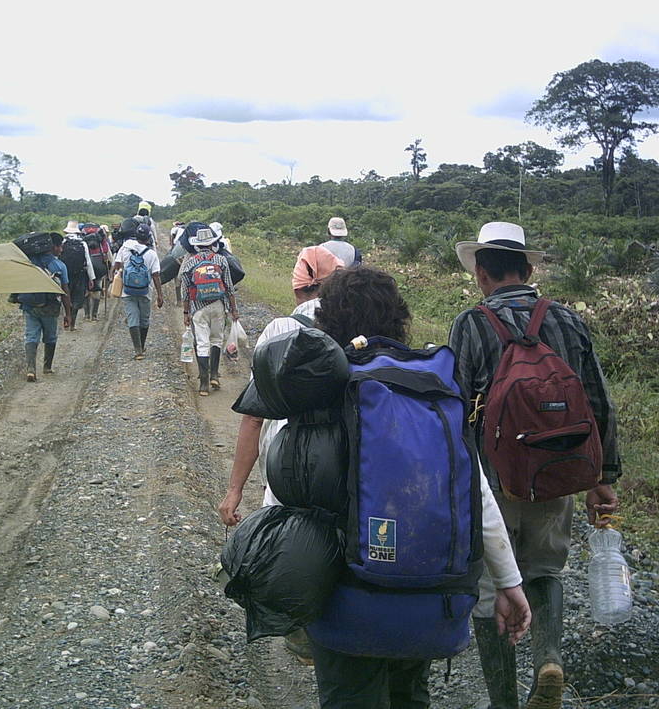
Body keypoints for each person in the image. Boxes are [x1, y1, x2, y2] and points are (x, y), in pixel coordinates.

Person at [308, 266, 530, 708]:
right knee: (411, 695)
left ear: (327, 321)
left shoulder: (319, 385)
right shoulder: (429, 386)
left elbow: (283, 493)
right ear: (399, 319)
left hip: (345, 604)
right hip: (426, 599)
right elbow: (475, 493)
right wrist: (508, 582)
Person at [448, 222, 620, 709]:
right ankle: (549, 658)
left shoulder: (472, 323)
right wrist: (603, 479)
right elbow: (598, 403)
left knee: (491, 588)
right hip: (557, 474)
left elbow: (455, 408)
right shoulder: (567, 321)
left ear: (482, 274)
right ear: (527, 270)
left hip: (494, 480)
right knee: (545, 569)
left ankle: (503, 700)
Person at [217, 244, 343, 663]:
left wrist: (234, 489)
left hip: (288, 462)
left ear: (298, 284)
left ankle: (302, 631)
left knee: (291, 541)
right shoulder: (353, 320)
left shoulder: (280, 330)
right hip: (344, 460)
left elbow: (254, 418)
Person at [179, 226, 239, 396]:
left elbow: (185, 291)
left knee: (202, 342)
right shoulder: (220, 260)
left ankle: (204, 384)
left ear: (197, 245)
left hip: (198, 308)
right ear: (212, 243)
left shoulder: (190, 263)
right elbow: (229, 287)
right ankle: (214, 375)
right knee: (216, 340)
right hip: (218, 305)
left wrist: (186, 313)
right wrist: (233, 309)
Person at [22, 233, 72, 381]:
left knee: (31, 335)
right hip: (50, 308)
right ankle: (47, 367)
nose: (61, 250)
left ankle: (31, 368)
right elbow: (65, 292)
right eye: (60, 246)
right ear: (53, 247)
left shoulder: (29, 262)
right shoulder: (59, 266)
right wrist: (68, 313)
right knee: (50, 337)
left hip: (30, 306)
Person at [112, 224, 164, 359]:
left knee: (132, 317)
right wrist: (160, 294)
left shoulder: (125, 248)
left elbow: (117, 265)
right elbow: (156, 275)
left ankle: (138, 350)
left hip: (127, 290)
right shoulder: (151, 254)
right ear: (148, 238)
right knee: (144, 319)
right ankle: (142, 344)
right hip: (145, 291)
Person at [61, 220, 96, 331]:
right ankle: (73, 325)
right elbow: (88, 262)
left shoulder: (62, 242)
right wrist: (91, 278)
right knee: (77, 298)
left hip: (65, 275)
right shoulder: (82, 243)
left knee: (65, 297)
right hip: (79, 275)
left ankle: (66, 318)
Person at [82, 225, 113, 322]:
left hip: (85, 268)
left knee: (86, 290)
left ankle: (86, 315)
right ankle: (94, 315)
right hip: (99, 268)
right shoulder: (102, 243)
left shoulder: (83, 242)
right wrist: (110, 270)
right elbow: (109, 256)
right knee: (97, 290)